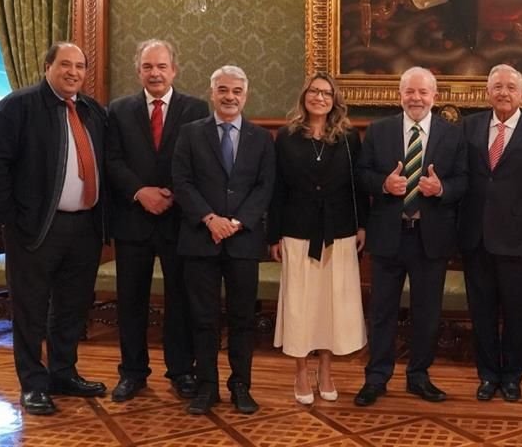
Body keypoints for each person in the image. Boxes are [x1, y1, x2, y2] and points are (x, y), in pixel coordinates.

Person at [0, 42, 108, 415]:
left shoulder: (92, 111)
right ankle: (33, 384)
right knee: (31, 309)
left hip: (84, 228)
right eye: (65, 64)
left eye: (80, 66)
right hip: (33, 229)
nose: (73, 72)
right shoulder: (18, 106)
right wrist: (9, 217)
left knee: (71, 307)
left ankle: (63, 374)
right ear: (47, 65)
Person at [353, 66, 468, 406]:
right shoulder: (378, 130)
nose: (416, 98)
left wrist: (442, 188)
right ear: (400, 94)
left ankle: (419, 376)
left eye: (423, 92)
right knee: (382, 311)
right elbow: (362, 175)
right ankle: (376, 377)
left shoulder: (452, 134)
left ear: (435, 96)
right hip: (389, 234)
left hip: (430, 237)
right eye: (410, 92)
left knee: (427, 312)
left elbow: (464, 181)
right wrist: (383, 184)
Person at [105, 39, 209, 402]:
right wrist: (141, 192)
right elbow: (112, 160)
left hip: (180, 221)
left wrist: (173, 195)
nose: (155, 73)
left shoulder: (196, 109)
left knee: (180, 299)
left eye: (162, 66)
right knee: (130, 299)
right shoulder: (118, 111)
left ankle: (181, 370)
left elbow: (202, 164)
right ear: (139, 71)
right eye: (148, 67)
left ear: (174, 70)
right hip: (133, 219)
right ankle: (132, 372)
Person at [172, 65, 275, 416]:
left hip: (243, 241)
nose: (230, 97)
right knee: (202, 317)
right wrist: (209, 218)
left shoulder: (261, 138)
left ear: (245, 95)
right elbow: (182, 181)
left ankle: (240, 385)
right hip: (200, 238)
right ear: (212, 92)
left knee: (243, 318)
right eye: (223, 90)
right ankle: (207, 386)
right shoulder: (190, 133)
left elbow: (265, 186)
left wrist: (237, 221)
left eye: (237, 91)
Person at [458, 64, 522, 402]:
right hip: (475, 239)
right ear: (487, 92)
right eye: (497, 86)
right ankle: (487, 376)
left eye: (511, 87)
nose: (503, 92)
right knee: (481, 313)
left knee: (516, 314)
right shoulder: (468, 127)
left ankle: (513, 377)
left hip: (520, 242)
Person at [270, 72, 368, 405]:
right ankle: (300, 372)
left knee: (331, 306)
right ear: (304, 96)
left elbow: (357, 189)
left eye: (326, 93)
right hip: (297, 231)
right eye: (314, 91)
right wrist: (273, 236)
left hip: (339, 232)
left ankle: (326, 371)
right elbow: (277, 190)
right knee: (300, 305)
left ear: (335, 100)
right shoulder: (286, 137)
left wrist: (361, 226)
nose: (320, 97)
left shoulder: (348, 138)